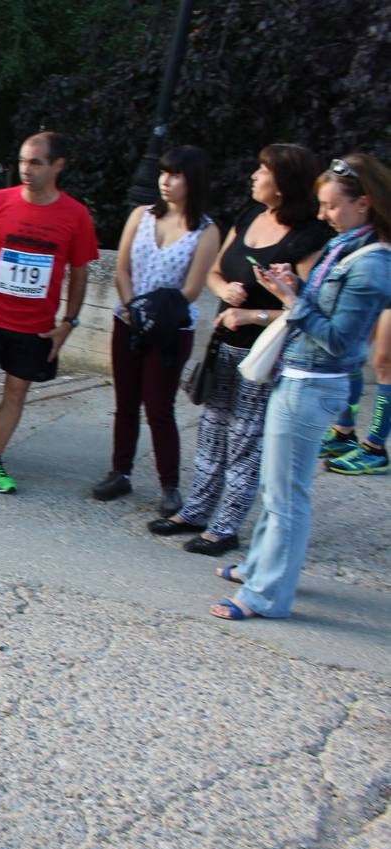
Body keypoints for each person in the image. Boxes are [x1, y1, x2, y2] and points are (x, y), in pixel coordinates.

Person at [211, 154, 391, 620]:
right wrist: (290, 290)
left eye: (331, 206)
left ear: (364, 203)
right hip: (301, 380)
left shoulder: (370, 265)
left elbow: (339, 340)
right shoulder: (350, 244)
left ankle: (266, 595)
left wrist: (290, 298)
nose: (323, 214)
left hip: (312, 385)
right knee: (278, 490)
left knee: (286, 496)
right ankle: (260, 569)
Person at [149, 144, 329, 554]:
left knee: (246, 439)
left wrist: (250, 317)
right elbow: (215, 271)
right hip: (224, 347)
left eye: (262, 170)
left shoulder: (309, 237)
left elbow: (305, 307)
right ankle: (196, 511)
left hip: (266, 355)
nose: (254, 175)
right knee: (212, 430)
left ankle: (225, 527)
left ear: (282, 184)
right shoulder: (249, 215)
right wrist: (222, 289)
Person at [0, 132, 99, 494]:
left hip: (36, 326)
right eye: (23, 161)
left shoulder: (75, 215)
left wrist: (68, 324)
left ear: (58, 166)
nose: (26, 169)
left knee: (16, 391)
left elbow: (81, 271)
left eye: (36, 163)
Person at [92, 146, 221, 513]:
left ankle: (169, 484)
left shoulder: (206, 231)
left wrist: (154, 312)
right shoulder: (141, 215)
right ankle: (120, 470)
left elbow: (193, 289)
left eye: (176, 174)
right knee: (125, 402)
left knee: (159, 406)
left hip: (170, 329)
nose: (165, 181)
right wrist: (133, 307)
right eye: (164, 173)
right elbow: (122, 268)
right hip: (128, 321)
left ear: (192, 181)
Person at [324, 311, 391, 475]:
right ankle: (343, 434)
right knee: (353, 352)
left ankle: (375, 448)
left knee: (385, 365)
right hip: (378, 287)